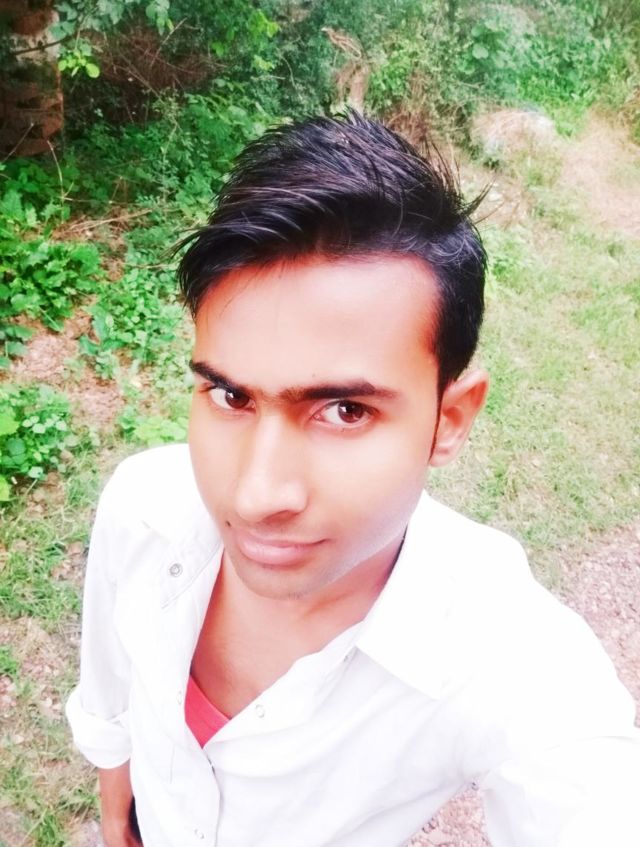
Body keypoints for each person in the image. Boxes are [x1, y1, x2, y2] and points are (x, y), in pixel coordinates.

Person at [66, 112, 640, 847]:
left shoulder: (513, 660)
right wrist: (116, 787)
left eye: (344, 410)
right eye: (231, 396)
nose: (254, 496)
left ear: (450, 418)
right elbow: (109, 687)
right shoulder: (143, 503)